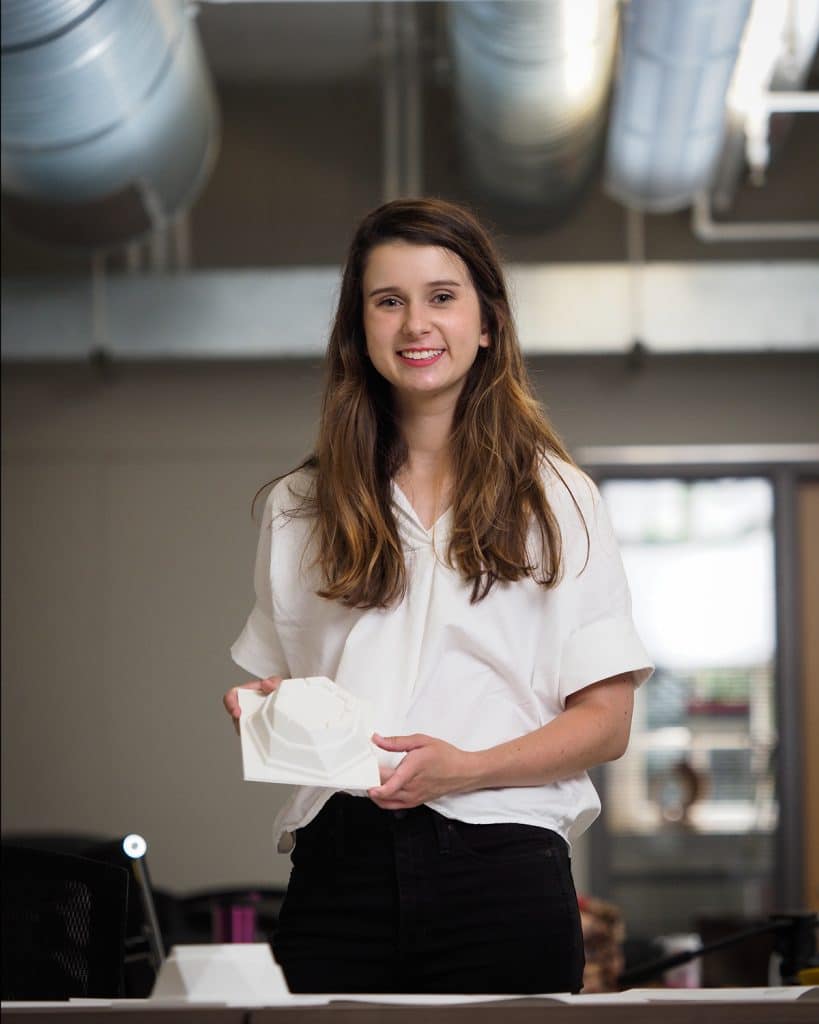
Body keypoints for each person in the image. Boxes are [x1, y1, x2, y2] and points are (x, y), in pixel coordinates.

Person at [223, 197, 653, 995]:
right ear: (359, 328)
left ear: (487, 322)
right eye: (388, 301)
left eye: (441, 296)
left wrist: (465, 770)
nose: (415, 323)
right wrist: (277, 710)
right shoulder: (297, 505)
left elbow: (606, 722)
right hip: (336, 866)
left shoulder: (559, 499)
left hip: (504, 865)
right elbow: (298, 685)